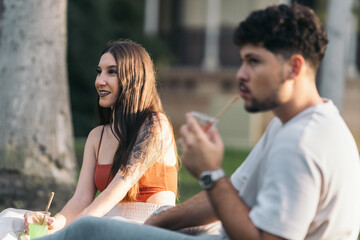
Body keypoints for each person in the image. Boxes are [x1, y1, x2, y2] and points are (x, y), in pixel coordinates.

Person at [39, 3, 360, 240]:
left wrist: (210, 172)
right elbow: (229, 195)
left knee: (89, 231)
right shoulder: (289, 125)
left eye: (254, 62)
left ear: (293, 68)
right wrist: (159, 224)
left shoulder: (302, 142)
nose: (241, 74)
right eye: (242, 61)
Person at [0, 40, 178, 239]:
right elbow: (80, 200)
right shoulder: (97, 136)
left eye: (111, 72)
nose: (99, 80)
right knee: (8, 219)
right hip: (104, 221)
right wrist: (53, 223)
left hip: (149, 226)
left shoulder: (155, 124)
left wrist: (71, 231)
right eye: (99, 71)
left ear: (134, 78)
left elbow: (121, 185)